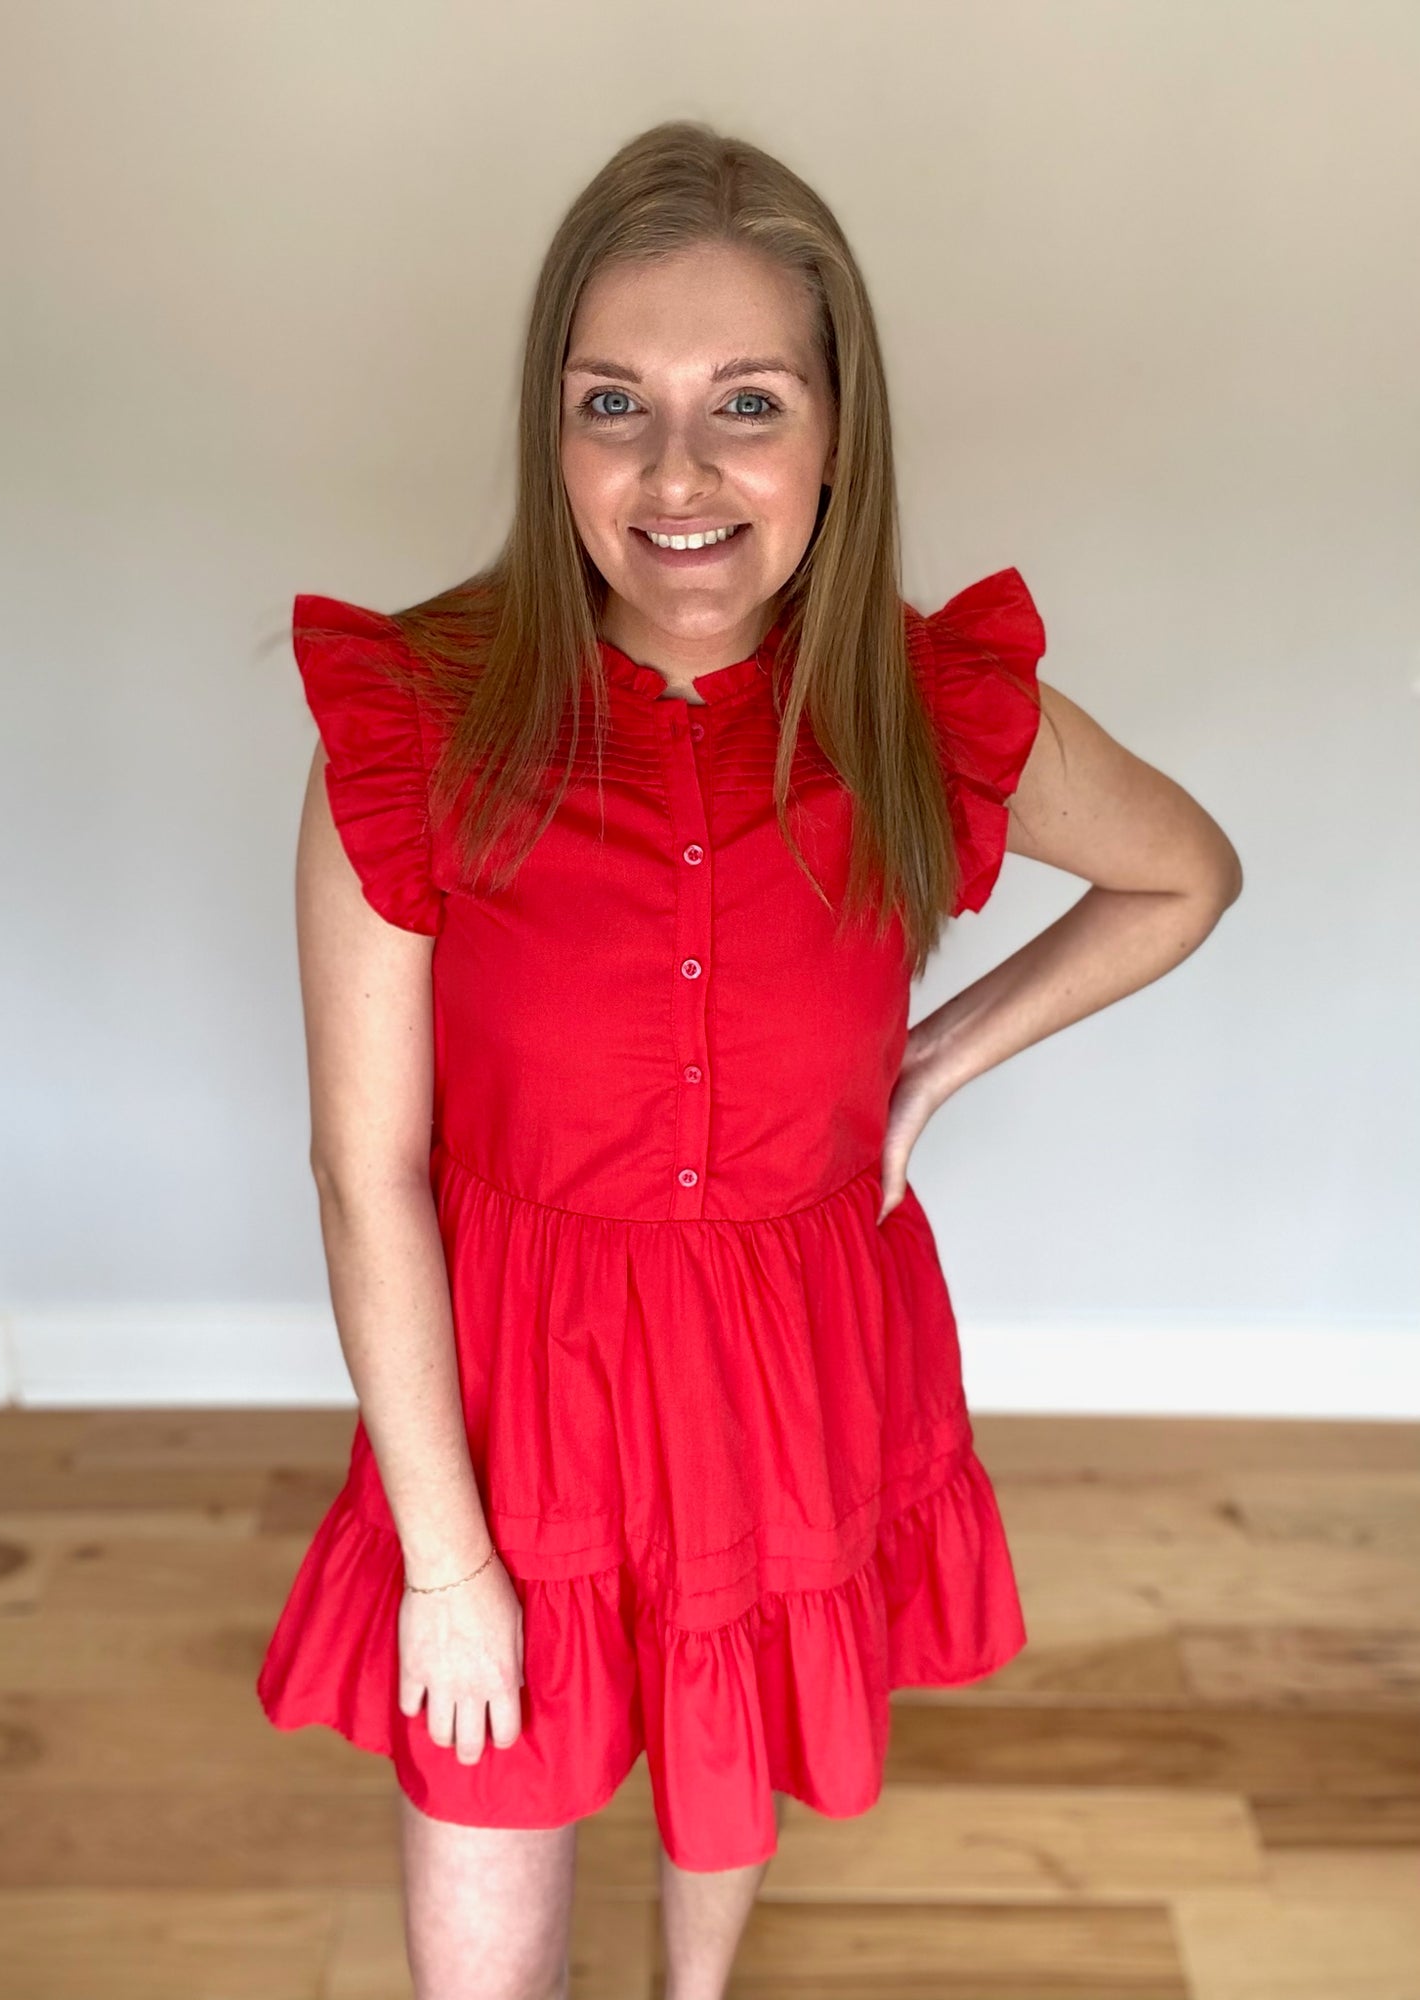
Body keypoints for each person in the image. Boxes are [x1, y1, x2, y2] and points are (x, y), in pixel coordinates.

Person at [257, 119, 1241, 2000]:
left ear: (836, 436)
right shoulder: (420, 724)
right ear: (551, 428)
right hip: (508, 1396)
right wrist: (452, 1568)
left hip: (785, 1370)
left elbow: (1182, 872)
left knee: (734, 1754)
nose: (678, 471)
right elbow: (363, 1171)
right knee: (483, 1849)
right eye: (614, 400)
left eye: (749, 403)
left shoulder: (925, 708)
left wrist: (936, 1058)